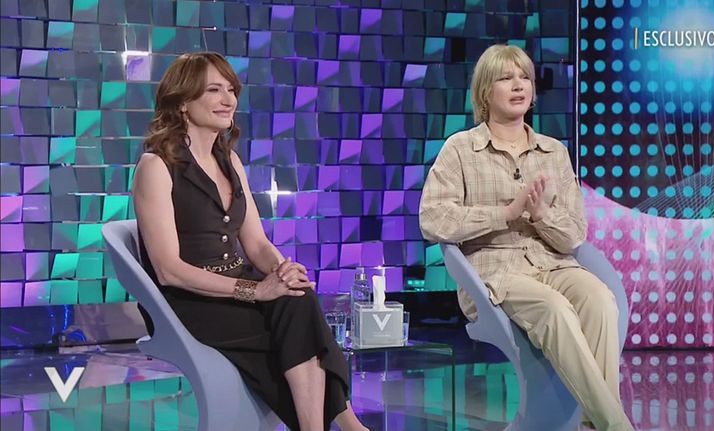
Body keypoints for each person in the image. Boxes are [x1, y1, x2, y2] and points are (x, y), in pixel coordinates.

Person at [132, 52, 368, 431]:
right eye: (214, 90)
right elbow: (168, 270)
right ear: (183, 101)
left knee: (298, 296)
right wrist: (256, 291)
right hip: (189, 301)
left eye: (231, 90)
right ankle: (349, 426)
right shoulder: (156, 166)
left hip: (236, 285)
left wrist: (282, 270)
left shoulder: (230, 161)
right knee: (293, 328)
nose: (228, 100)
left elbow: (256, 244)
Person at [419, 45, 634, 431]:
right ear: (485, 92)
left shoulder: (554, 152)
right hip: (494, 273)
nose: (518, 85)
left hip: (552, 263)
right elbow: (433, 219)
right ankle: (616, 426)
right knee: (555, 309)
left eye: (525, 78)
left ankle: (594, 423)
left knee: (600, 299)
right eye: (506, 78)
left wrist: (541, 215)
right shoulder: (461, 149)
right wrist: (505, 213)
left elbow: (574, 235)